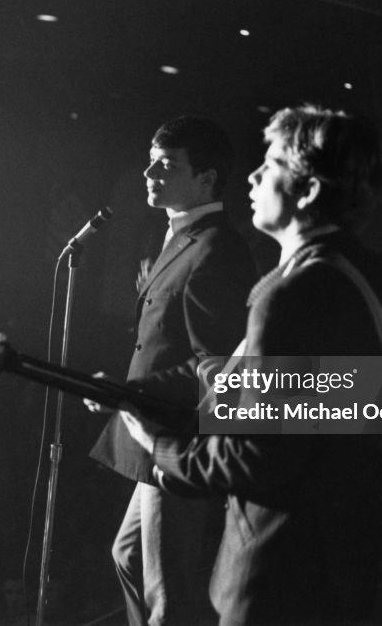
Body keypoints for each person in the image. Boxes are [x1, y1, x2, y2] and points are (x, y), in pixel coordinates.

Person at [122, 105, 382, 624]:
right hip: (347, 552)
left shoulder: (291, 294)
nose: (254, 175)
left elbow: (258, 457)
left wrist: (162, 448)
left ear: (307, 191)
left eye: (271, 163)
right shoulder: (377, 277)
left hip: (279, 566)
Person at [87, 116, 256, 626]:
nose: (150, 173)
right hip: (156, 426)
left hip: (178, 435)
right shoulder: (182, 238)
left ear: (206, 178)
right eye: (151, 162)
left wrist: (132, 391)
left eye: (167, 165)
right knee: (130, 556)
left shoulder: (216, 248)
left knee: (168, 594)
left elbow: (217, 364)